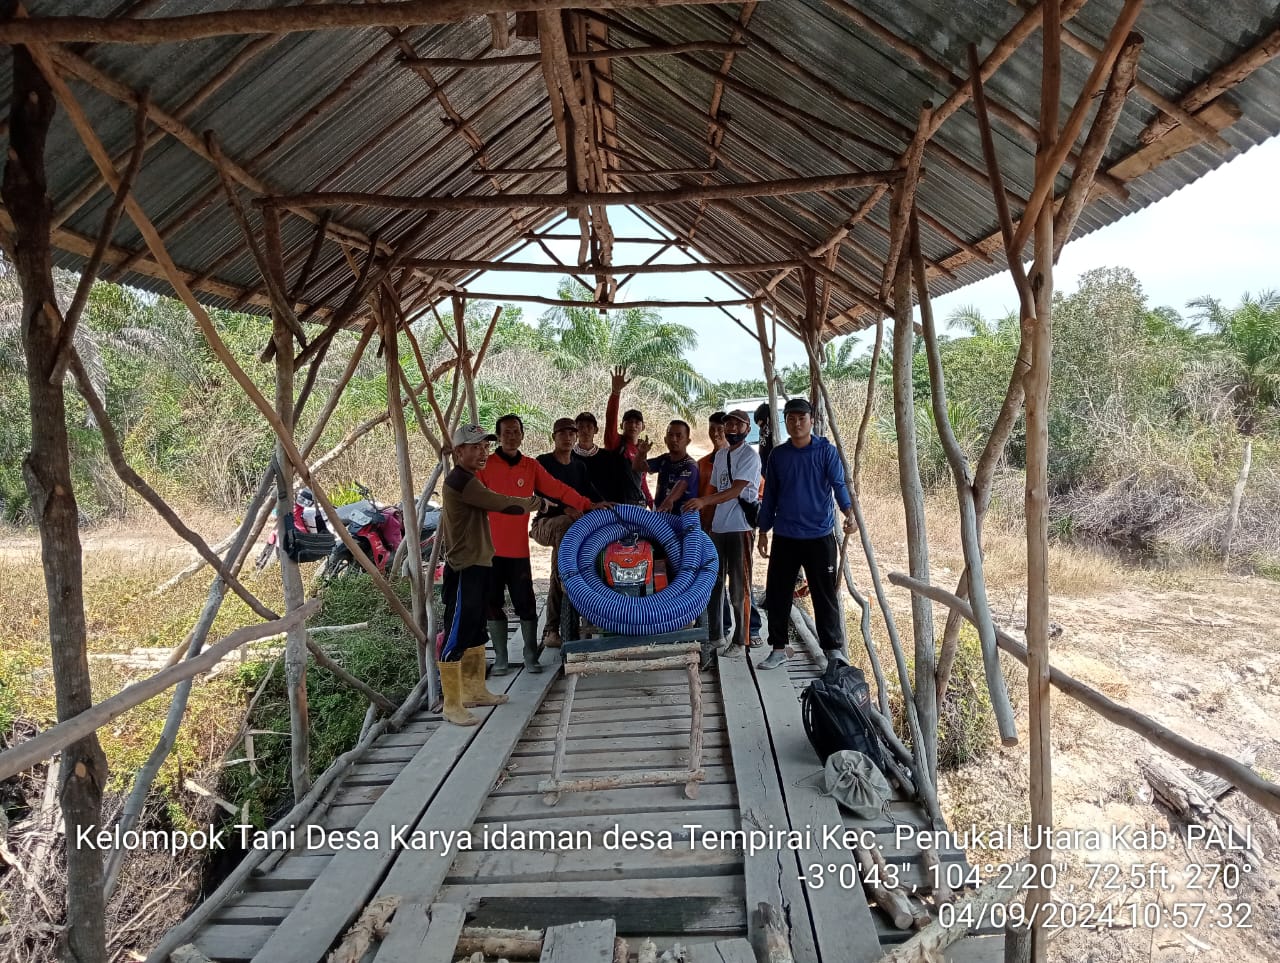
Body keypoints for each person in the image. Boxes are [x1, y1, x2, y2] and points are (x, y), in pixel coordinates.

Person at [438, 424, 545, 727]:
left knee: (475, 630)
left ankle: (474, 690)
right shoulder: (461, 481)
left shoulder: (469, 478)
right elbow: (502, 503)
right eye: (475, 447)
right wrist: (535, 502)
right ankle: (452, 703)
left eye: (485, 446)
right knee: (457, 632)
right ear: (459, 451)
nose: (482, 452)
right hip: (464, 567)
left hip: (480, 562)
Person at [478, 414, 594, 675]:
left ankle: (530, 656)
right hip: (490, 550)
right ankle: (501, 659)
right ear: (498, 436)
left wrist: (586, 504)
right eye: (506, 432)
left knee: (526, 603)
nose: (511, 436)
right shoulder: (486, 466)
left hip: (518, 550)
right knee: (493, 603)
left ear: (522, 435)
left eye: (516, 431)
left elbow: (558, 489)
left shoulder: (530, 467)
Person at [755, 398, 858, 670]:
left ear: (812, 421)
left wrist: (849, 512)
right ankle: (778, 648)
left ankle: (832, 651)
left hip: (819, 536)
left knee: (823, 595)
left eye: (802, 418)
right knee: (778, 594)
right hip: (786, 536)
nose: (796, 423)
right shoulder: (778, 455)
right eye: (791, 418)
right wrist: (763, 530)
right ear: (785, 421)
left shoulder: (826, 452)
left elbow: (839, 485)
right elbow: (770, 496)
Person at [684, 409, 760, 668]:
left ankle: (740, 640)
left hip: (740, 527)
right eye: (728, 424)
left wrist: (704, 501)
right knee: (714, 582)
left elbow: (736, 489)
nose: (732, 428)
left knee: (739, 586)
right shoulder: (721, 456)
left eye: (738, 425)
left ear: (747, 429)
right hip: (718, 526)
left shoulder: (750, 456)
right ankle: (716, 635)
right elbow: (716, 485)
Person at [533, 418, 603, 649]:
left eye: (571, 433)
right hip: (546, 524)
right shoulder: (542, 463)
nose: (567, 437)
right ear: (553, 437)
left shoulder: (579, 466)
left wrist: (606, 505)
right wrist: (567, 509)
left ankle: (554, 629)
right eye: (562, 433)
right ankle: (567, 579)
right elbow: (544, 497)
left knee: (560, 565)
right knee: (565, 524)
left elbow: (591, 497)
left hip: (570, 528)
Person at [604, 366, 653, 507]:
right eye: (629, 422)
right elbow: (610, 419)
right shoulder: (615, 443)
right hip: (618, 507)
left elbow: (642, 481)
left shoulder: (641, 450)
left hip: (638, 506)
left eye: (637, 422)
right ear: (621, 426)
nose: (633, 425)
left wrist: (651, 504)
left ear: (642, 427)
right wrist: (616, 392)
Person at [574, 411, 645, 506]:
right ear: (575, 431)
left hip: (605, 512)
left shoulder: (607, 456)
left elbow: (617, 486)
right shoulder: (569, 457)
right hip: (577, 510)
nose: (585, 430)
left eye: (589, 426)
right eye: (581, 427)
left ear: (596, 430)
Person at [632, 420, 699, 514]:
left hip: (681, 520)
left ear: (688, 441)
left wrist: (670, 500)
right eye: (670, 435)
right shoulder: (664, 459)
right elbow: (637, 467)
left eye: (678, 436)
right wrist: (640, 453)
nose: (673, 439)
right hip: (661, 515)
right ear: (665, 440)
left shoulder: (690, 465)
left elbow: (681, 484)